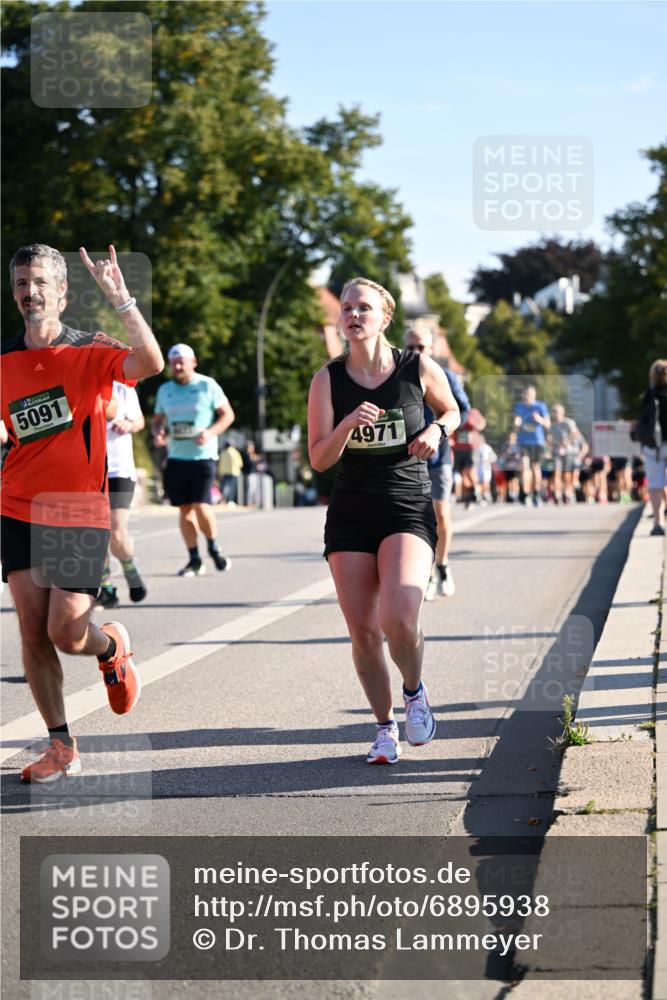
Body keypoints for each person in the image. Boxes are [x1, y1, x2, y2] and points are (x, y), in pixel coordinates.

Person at [1, 243, 163, 783]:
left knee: (67, 633)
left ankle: (111, 646)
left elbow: (150, 363)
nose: (30, 292)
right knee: (31, 633)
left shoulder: (91, 349)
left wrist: (122, 301)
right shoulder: (3, 360)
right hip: (17, 506)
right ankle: (61, 745)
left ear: (63, 293)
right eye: (21, 283)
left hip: (77, 509)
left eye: (40, 283)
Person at [308, 277, 460, 765]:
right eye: (347, 308)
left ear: (385, 317)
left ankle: (414, 692)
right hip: (351, 510)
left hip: (406, 504)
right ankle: (384, 728)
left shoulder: (416, 367)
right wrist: (347, 425)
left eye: (363, 308)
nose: (353, 315)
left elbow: (453, 410)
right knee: (364, 632)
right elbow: (319, 459)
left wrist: (436, 431)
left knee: (398, 616)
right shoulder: (328, 380)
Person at [152, 343, 235, 575]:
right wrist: (158, 433)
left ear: (193, 362)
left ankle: (213, 546)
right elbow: (157, 421)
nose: (178, 366)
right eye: (174, 363)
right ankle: (194, 559)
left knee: (201, 504)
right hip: (177, 457)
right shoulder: (165, 390)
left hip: (203, 456)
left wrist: (210, 433)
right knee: (184, 510)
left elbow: (228, 415)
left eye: (182, 362)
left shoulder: (207, 385)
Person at [403, 328, 470, 600]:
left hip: (439, 457)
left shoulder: (445, 376)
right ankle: (427, 574)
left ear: (431, 349)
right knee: (418, 519)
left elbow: (462, 410)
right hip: (408, 459)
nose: (415, 352)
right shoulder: (397, 377)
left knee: (440, 513)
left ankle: (442, 566)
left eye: (421, 347)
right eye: (410, 347)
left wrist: (443, 429)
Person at [96, 381, 147, 608]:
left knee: (116, 532)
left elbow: (140, 420)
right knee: (95, 534)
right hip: (89, 471)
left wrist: (130, 424)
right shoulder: (75, 381)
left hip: (119, 469)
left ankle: (129, 567)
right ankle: (107, 588)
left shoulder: (123, 388)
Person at [633, 359, 667, 535]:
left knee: (655, 484)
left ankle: (658, 523)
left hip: (654, 446)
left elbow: (641, 421)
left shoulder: (649, 395)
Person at [513, 385, 550, 506]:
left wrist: (539, 419)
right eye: (525, 394)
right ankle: (525, 493)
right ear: (523, 395)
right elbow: (516, 421)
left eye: (529, 394)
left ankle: (536, 493)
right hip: (523, 441)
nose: (527, 396)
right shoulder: (519, 406)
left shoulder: (540, 406)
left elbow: (548, 424)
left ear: (534, 395)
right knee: (524, 465)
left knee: (535, 467)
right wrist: (516, 423)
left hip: (537, 441)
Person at [218, 440, 243, 505]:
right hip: (233, 472)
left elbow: (220, 464)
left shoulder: (223, 453)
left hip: (223, 472)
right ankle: (230, 500)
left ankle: (222, 500)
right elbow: (240, 464)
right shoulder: (235, 452)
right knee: (231, 487)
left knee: (224, 487)